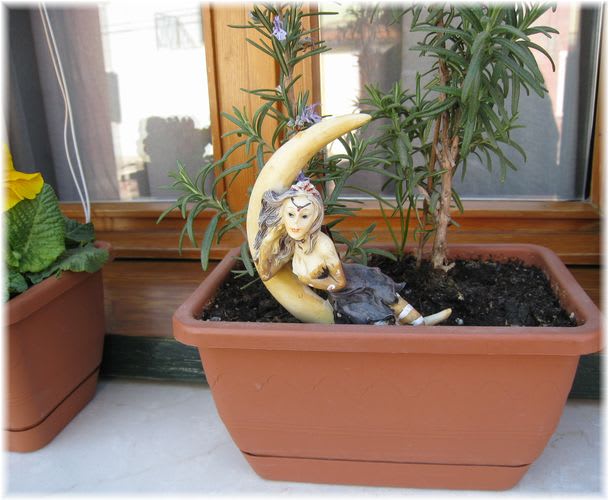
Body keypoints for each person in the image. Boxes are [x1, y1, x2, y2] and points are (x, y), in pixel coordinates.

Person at [253, 173, 451, 326]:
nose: (296, 223)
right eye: (290, 214)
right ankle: (411, 327)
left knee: (386, 296)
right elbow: (266, 273)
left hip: (349, 287)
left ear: (315, 218)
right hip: (341, 295)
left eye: (304, 216)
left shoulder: (322, 245)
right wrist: (269, 241)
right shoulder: (291, 243)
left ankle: (419, 324)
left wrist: (310, 281)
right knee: (375, 315)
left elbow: (340, 283)